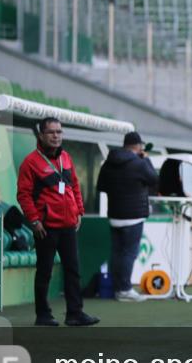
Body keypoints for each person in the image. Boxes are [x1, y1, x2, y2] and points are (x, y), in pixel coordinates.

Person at [16, 117, 99, 327]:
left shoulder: (66, 158)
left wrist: (79, 211)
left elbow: (74, 186)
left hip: (68, 224)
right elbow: (23, 195)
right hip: (46, 227)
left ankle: (74, 313)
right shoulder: (31, 162)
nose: (56, 136)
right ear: (41, 135)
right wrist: (34, 220)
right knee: (44, 271)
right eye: (51, 132)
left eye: (59, 132)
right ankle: (43, 315)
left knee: (73, 270)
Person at [97, 131, 158, 302]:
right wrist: (146, 160)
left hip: (114, 214)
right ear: (138, 146)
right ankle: (124, 289)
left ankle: (117, 288)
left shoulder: (109, 162)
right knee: (129, 253)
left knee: (117, 252)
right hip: (134, 216)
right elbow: (154, 179)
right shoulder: (139, 163)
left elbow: (101, 185)